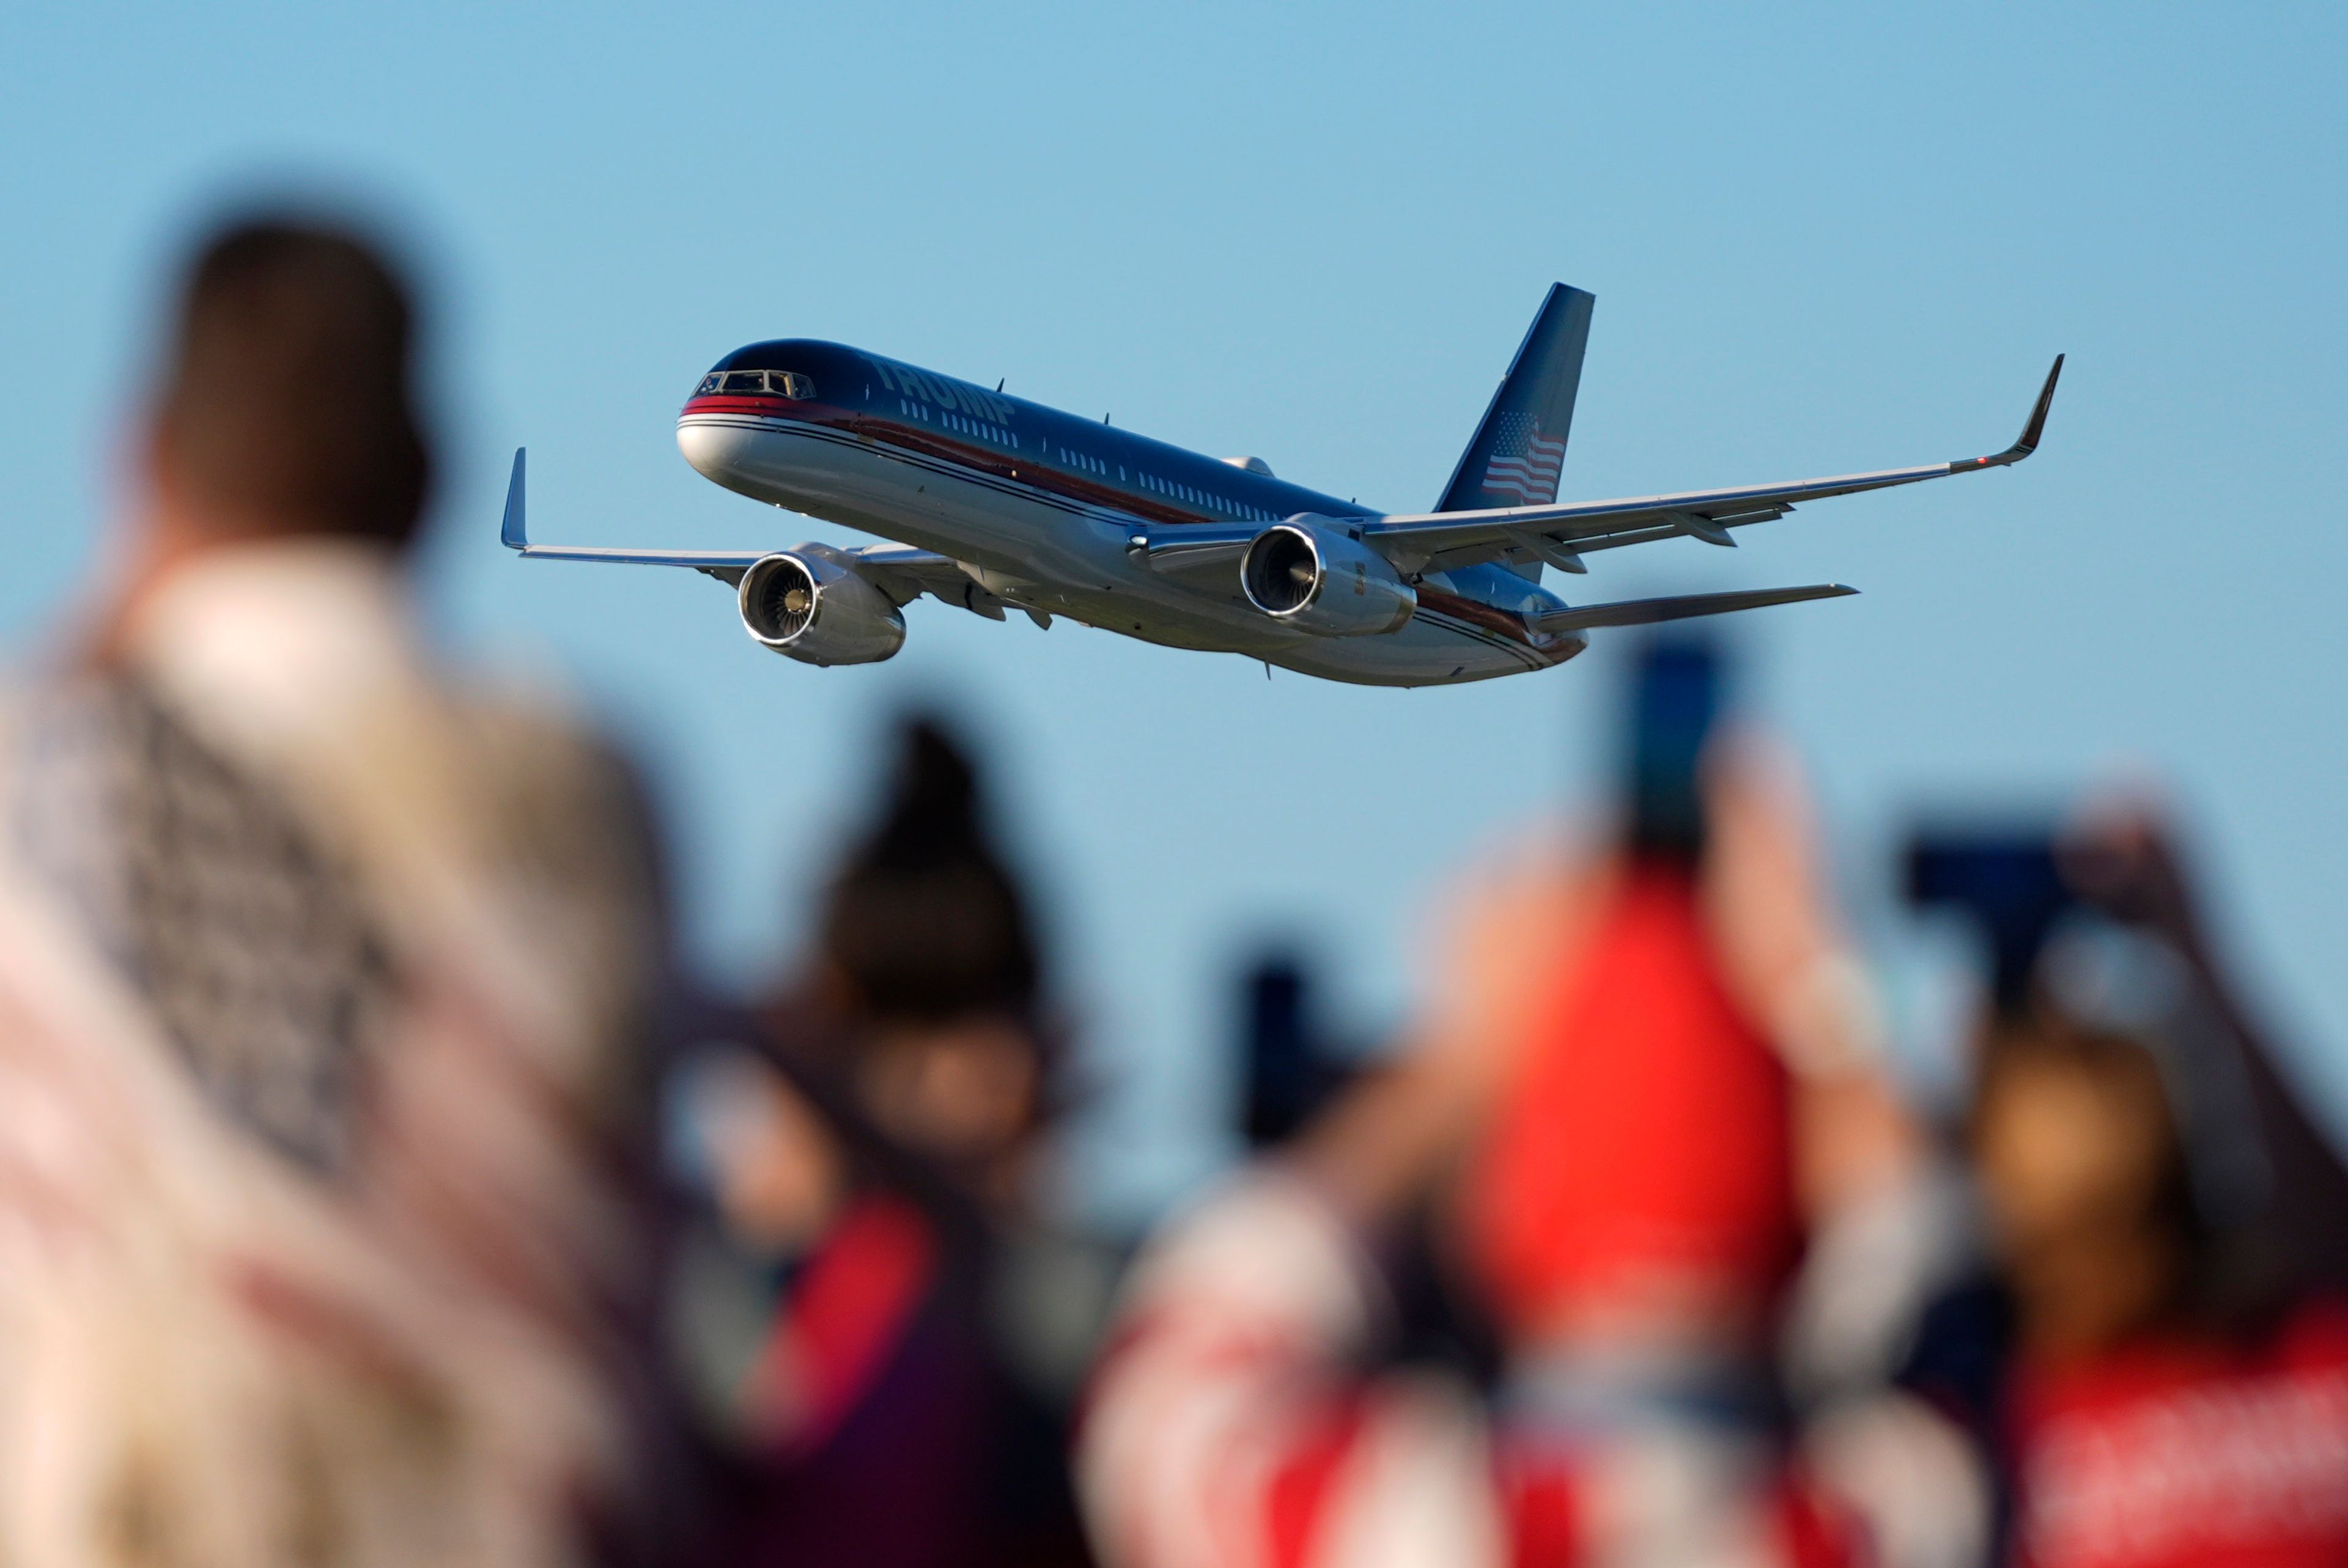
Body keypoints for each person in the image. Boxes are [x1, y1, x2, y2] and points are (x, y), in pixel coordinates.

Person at [0, 216, 677, 1568]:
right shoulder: (585, 793)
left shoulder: (44, 777)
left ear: (140, 459)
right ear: (430, 478)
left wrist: (119, 582)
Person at [1078, 642, 1935, 1568]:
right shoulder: (1891, 1512)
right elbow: (1931, 1276)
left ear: (1498, 1206)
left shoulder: (1379, 1523)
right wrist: (1829, 997)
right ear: (1798, 1200)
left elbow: (1170, 1390)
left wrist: (1467, 1054)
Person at [674, 716, 1102, 1568]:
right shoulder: (725, 1296)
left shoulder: (1083, 1297)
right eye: (898, 1050)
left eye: (960, 1043)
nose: (930, 1092)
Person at [1889, 803, 2348, 1568]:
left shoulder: (1991, 1439)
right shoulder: (2316, 1380)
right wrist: (2201, 955)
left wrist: (1811, 983)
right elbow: (2332, 1226)